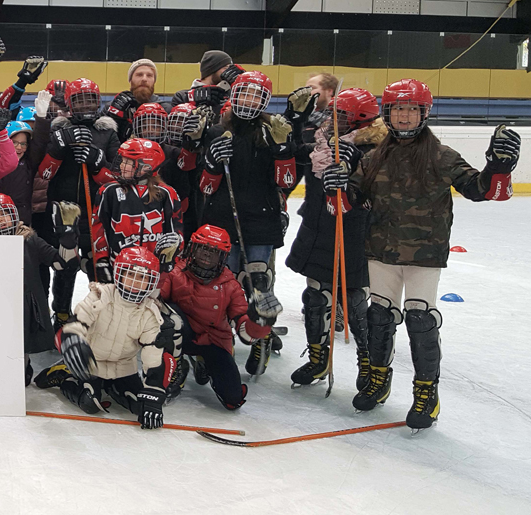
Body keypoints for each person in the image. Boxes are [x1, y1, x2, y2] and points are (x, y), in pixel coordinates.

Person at [353, 79, 519, 431]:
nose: (405, 116)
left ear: (424, 113)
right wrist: (338, 183)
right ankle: (379, 378)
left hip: (424, 254)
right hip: (381, 250)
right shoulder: (372, 158)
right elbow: (351, 194)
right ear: (387, 113)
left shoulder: (442, 156)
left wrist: (498, 168)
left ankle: (426, 391)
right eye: (398, 109)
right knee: (379, 316)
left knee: (419, 319)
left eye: (412, 109)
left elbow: (477, 189)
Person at [286, 88, 385, 389]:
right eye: (335, 113)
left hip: (352, 231)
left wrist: (353, 167)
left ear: (361, 119)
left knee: (354, 300)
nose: (335, 119)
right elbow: (291, 154)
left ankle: (367, 362)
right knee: (315, 296)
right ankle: (318, 359)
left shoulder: (376, 150)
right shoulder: (321, 139)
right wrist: (294, 121)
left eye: (343, 115)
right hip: (318, 225)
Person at [194, 70, 290, 374]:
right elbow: (206, 188)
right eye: (243, 94)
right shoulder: (215, 132)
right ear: (233, 96)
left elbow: (285, 182)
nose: (248, 101)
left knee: (259, 282)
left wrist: (283, 149)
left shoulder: (273, 133)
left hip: (261, 221)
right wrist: (211, 162)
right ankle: (219, 342)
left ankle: (261, 333)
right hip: (223, 220)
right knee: (223, 283)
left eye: (255, 96)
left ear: (264, 101)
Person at [159, 224, 274, 410]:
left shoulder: (231, 285)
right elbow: (152, 301)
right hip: (181, 335)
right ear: (193, 248)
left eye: (214, 251)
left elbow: (245, 332)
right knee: (166, 314)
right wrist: (162, 266)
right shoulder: (175, 272)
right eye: (203, 248)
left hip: (213, 342)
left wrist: (260, 322)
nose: (207, 254)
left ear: (223, 257)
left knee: (233, 399)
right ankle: (176, 366)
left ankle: (203, 362)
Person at [55, 247, 172, 429]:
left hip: (124, 367)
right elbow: (77, 322)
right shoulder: (101, 295)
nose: (135, 282)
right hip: (92, 364)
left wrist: (153, 394)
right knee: (89, 401)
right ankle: (64, 375)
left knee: (139, 406)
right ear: (119, 273)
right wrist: (73, 342)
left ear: (151, 282)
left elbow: (153, 354)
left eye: (143, 278)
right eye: (131, 275)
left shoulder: (150, 312)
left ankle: (113, 387)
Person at [37, 78, 122, 326]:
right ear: (70, 104)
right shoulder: (57, 130)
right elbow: (43, 175)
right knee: (67, 264)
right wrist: (58, 148)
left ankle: (100, 313)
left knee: (99, 264)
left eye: (90, 99)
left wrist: (98, 161)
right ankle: (62, 313)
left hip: (97, 211)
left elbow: (116, 179)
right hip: (62, 212)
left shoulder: (107, 133)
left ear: (98, 102)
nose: (85, 104)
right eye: (79, 99)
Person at [0, 193, 75, 386]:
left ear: (14, 215)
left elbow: (61, 264)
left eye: (4, 215)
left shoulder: (29, 240)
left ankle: (23, 367)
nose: (0, 221)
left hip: (24, 306)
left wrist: (67, 241)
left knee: (20, 349)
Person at [91, 139, 184, 283]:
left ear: (146, 167)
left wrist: (172, 258)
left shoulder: (167, 194)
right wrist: (101, 259)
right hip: (119, 268)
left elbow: (175, 232)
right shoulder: (108, 191)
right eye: (122, 160)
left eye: (128, 162)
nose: (122, 165)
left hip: (154, 270)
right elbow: (98, 227)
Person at [107, 59, 173, 140]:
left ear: (154, 81)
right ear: (130, 80)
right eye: (139, 75)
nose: (144, 79)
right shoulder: (112, 107)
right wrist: (115, 118)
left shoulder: (166, 109)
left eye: (149, 75)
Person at [171, 50, 245, 111]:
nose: (229, 72)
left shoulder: (230, 95)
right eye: (226, 68)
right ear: (212, 69)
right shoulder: (183, 96)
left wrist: (243, 83)